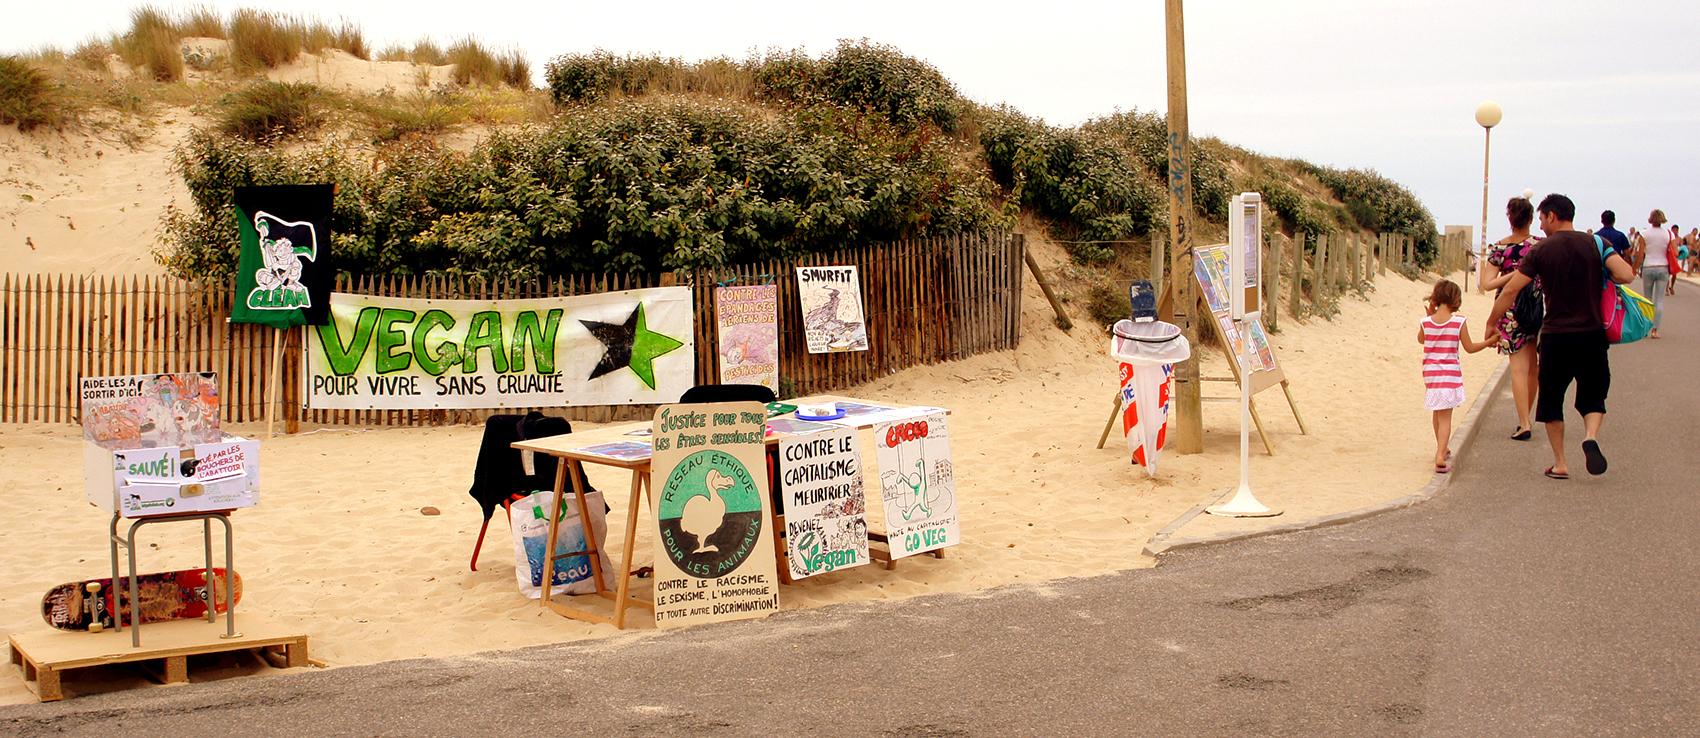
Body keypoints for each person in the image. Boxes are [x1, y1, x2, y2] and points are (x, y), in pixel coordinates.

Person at [1486, 194, 1635, 479]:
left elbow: (1511, 289)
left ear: (1552, 216)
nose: (1541, 226)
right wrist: (1605, 275)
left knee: (1552, 400)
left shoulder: (1542, 250)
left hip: (1557, 336)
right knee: (1593, 396)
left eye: (1542, 219)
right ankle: (1590, 436)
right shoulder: (1597, 243)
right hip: (1592, 335)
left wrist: (1492, 321)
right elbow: (1626, 275)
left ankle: (1561, 463)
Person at [1480, 196, 1543, 439]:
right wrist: (1523, 272)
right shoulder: (1539, 245)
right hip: (1535, 306)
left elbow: (1487, 284)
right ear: (1531, 219)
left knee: (1518, 368)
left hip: (1509, 310)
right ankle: (1526, 418)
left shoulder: (1499, 249)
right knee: (1532, 367)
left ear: (1510, 218)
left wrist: (1511, 275)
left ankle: (1524, 422)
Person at [1421, 279, 1496, 473]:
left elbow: (1421, 339)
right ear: (1456, 299)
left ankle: (1442, 447)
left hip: (1431, 375)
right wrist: (1489, 342)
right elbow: (1469, 347)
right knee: (1446, 417)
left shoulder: (1426, 322)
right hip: (1450, 375)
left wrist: (1430, 315)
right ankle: (1440, 454)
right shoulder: (1458, 322)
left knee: (1437, 412)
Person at [1632, 209, 1674, 337]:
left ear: (1650, 219)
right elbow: (1676, 252)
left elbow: (1640, 255)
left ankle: (1645, 328)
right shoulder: (1669, 234)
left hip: (1648, 266)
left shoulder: (1644, 234)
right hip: (1663, 267)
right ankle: (1655, 330)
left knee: (1647, 299)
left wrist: (1634, 268)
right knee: (1659, 300)